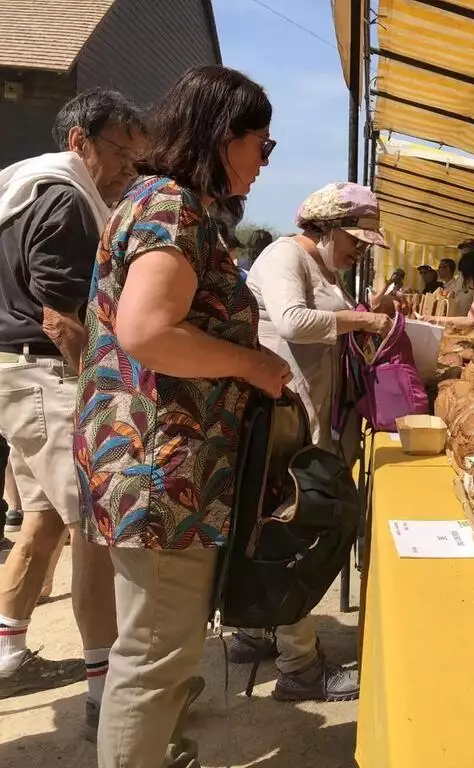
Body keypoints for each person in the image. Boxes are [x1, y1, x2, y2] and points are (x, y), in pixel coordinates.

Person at [74, 65, 292, 768]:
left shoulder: (161, 201)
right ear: (225, 135)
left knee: (156, 646)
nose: (263, 163)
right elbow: (147, 331)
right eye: (263, 145)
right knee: (155, 654)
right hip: (162, 469)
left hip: (159, 466)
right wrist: (252, 365)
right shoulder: (171, 208)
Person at [0, 89, 144, 716]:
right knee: (93, 529)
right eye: (121, 155)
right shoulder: (66, 202)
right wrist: (104, 389)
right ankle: (102, 692)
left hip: (18, 380)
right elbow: (61, 319)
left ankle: (7, 647)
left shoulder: (20, 192)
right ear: (79, 141)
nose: (128, 172)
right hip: (50, 379)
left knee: (44, 518)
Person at [237, 182, 392, 699]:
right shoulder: (286, 255)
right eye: (357, 239)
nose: (360, 251)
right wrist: (361, 318)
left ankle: (257, 631)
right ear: (327, 228)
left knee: (280, 531)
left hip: (304, 425)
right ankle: (300, 667)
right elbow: (294, 322)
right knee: (290, 537)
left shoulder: (325, 270)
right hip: (282, 427)